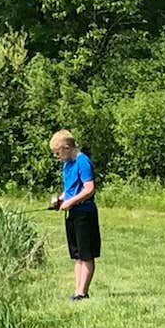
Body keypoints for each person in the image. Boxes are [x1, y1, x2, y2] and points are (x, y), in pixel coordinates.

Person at [50, 128, 99, 301]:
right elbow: (70, 189)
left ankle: (82, 293)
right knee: (77, 254)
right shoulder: (67, 164)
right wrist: (61, 200)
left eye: (58, 153)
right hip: (72, 213)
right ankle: (77, 290)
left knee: (86, 254)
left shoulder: (82, 162)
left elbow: (89, 189)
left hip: (84, 213)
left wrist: (70, 202)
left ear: (67, 147)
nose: (58, 157)